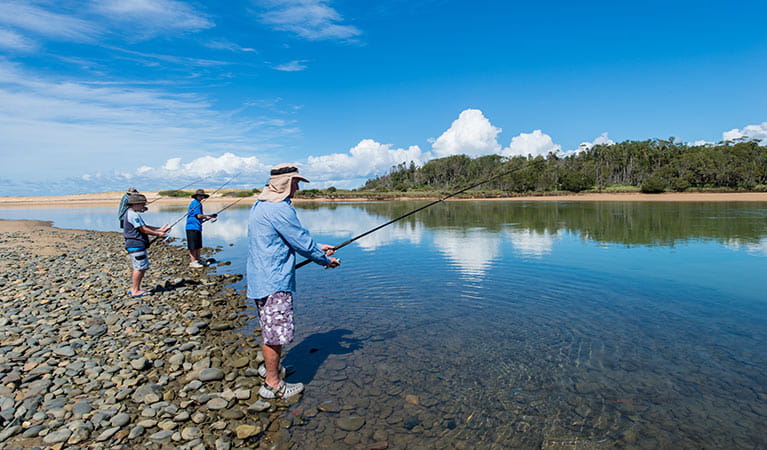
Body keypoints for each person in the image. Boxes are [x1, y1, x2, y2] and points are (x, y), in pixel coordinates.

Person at [247, 163, 340, 399]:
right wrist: (324, 260)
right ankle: (273, 384)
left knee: (270, 328)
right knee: (276, 335)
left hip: (261, 278)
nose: (297, 186)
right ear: (284, 183)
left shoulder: (261, 205)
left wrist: (317, 248)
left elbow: (288, 240)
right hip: (274, 281)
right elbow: (300, 241)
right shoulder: (280, 209)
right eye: (295, 182)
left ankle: (271, 368)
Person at [123, 193, 170, 297]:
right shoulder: (133, 215)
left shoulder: (131, 213)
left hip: (136, 245)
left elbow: (144, 226)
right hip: (136, 245)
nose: (144, 207)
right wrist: (158, 234)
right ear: (136, 204)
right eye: (143, 204)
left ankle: (135, 288)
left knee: (141, 267)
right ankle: (135, 290)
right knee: (139, 268)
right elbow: (143, 229)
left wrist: (159, 229)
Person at [186, 189, 217, 268]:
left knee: (198, 245)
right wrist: (206, 216)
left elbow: (199, 217)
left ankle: (198, 260)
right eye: (199, 195)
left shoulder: (198, 204)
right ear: (196, 196)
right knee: (193, 246)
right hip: (191, 227)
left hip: (197, 227)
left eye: (202, 195)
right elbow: (198, 216)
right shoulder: (195, 203)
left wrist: (209, 216)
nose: (201, 197)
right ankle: (193, 262)